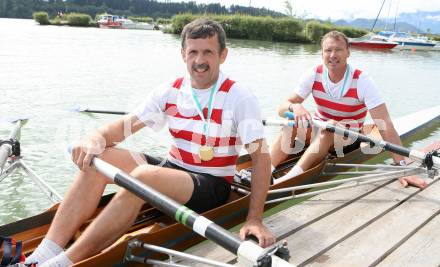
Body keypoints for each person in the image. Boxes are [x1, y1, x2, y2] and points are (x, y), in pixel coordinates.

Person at [27, 19, 275, 267]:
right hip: (174, 169)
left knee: (143, 175)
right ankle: (42, 255)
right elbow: (124, 126)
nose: (199, 60)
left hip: (212, 184)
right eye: (193, 52)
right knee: (99, 157)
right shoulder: (171, 90)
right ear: (183, 54)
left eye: (208, 52)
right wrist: (94, 139)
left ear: (223, 55)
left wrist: (255, 218)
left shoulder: (239, 97)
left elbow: (261, 157)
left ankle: (64, 263)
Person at [271, 30, 427, 189]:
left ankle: (289, 179)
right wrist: (295, 106)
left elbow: (384, 124)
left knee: (330, 127)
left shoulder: (362, 81)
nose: (332, 55)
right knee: (290, 124)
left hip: (349, 139)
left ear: (348, 53)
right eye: (328, 50)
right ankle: (265, 171)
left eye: (338, 50)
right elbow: (282, 107)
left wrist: (402, 166)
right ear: (322, 54)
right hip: (321, 130)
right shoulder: (313, 74)